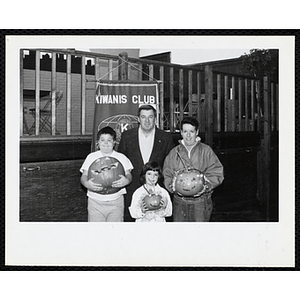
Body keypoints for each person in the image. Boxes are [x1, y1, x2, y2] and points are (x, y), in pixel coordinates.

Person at [118, 104, 174, 222]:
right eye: (143, 117)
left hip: (157, 192)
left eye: (150, 117)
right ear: (138, 119)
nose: (147, 121)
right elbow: (121, 164)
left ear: (155, 118)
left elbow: (170, 165)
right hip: (132, 190)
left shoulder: (166, 137)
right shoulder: (127, 136)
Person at [163, 117, 224, 222]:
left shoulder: (206, 151)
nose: (188, 135)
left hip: (201, 201)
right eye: (185, 131)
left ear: (197, 132)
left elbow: (217, 172)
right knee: (181, 234)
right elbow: (167, 173)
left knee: (199, 234)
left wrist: (205, 186)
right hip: (179, 202)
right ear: (181, 133)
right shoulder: (174, 152)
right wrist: (173, 187)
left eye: (191, 131)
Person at [80, 126, 133, 222]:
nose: (105, 143)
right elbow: (84, 175)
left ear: (114, 143)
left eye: (109, 140)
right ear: (97, 143)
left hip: (116, 201)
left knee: (114, 231)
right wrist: (86, 184)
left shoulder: (121, 157)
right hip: (95, 201)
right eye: (102, 140)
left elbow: (129, 175)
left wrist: (126, 180)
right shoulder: (91, 157)